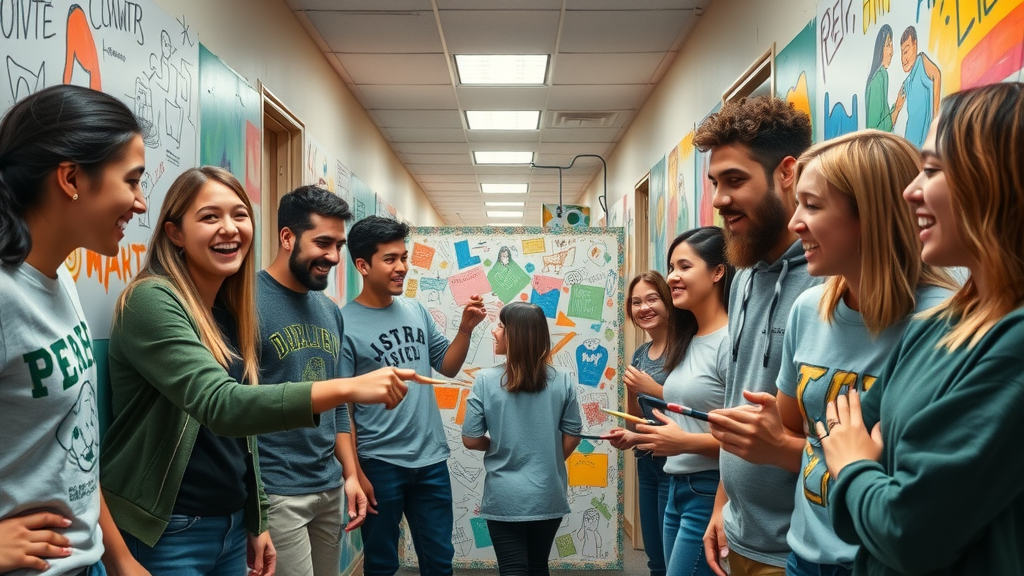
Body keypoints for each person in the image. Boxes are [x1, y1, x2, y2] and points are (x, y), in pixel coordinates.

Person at [100, 167, 422, 576]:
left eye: (239, 214)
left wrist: (255, 517)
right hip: (172, 526)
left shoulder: (231, 305)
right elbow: (223, 405)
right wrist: (348, 387)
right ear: (175, 232)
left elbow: (241, 439)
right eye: (210, 217)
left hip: (231, 519)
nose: (229, 228)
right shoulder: (152, 300)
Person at [820, 82, 1024, 575]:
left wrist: (853, 468)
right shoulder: (935, 325)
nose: (911, 191)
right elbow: (840, 434)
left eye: (931, 170)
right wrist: (867, 475)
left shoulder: (1013, 343)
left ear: (990, 181)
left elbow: (907, 531)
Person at [776, 130, 955, 576]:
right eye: (797, 204)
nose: (795, 223)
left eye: (812, 206)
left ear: (871, 216)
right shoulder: (807, 310)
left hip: (876, 560)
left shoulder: (941, 324)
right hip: (803, 553)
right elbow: (798, 433)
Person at [0, 85, 149, 576]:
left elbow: (70, 458)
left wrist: (120, 557)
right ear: (71, 178)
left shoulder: (58, 276)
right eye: (131, 181)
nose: (141, 203)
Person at [691, 96, 819, 576]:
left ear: (787, 172)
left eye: (735, 180)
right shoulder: (744, 271)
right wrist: (723, 501)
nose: (720, 199)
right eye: (715, 183)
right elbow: (735, 402)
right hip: (738, 531)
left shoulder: (832, 278)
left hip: (797, 548)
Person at [340, 215, 487, 576]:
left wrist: (465, 330)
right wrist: (356, 473)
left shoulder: (416, 310)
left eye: (404, 258)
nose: (402, 267)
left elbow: (447, 367)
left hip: (431, 459)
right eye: (390, 259)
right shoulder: (343, 324)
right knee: (382, 563)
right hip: (379, 462)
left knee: (439, 561)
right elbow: (342, 408)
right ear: (363, 265)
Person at [254, 185, 366, 576]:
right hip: (279, 490)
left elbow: (336, 407)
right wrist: (256, 504)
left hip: (329, 485)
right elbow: (235, 406)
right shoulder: (246, 301)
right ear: (287, 237)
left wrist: (349, 474)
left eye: (339, 245)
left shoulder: (329, 310)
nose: (334, 257)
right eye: (323, 243)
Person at [629, 226, 733, 576]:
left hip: (708, 487)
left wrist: (684, 442)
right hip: (677, 485)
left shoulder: (730, 341)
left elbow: (751, 439)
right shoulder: (688, 339)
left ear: (718, 272)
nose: (673, 276)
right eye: (671, 267)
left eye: (684, 267)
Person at [461, 302, 583, 576]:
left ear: (516, 334)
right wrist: (545, 457)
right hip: (547, 492)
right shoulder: (563, 379)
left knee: (512, 569)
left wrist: (498, 446)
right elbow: (573, 436)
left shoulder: (484, 380)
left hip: (505, 495)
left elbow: (470, 438)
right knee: (538, 566)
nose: (494, 331)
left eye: (501, 326)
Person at [603, 271, 687, 576]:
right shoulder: (639, 355)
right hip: (647, 465)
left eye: (652, 299)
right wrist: (629, 434)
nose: (644, 308)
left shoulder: (686, 348)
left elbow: (696, 409)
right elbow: (637, 419)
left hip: (678, 465)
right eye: (636, 302)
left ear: (668, 300)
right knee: (655, 559)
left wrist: (654, 389)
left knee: (673, 557)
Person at [898, 26, 941, 148]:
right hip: (911, 144)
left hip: (923, 144)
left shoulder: (921, 62)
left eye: (906, 51)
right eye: (901, 53)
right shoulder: (907, 81)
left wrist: (936, 121)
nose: (903, 58)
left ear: (915, 45)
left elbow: (936, 75)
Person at [864, 25, 904, 132]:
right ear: (880, 49)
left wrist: (896, 105)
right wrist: (896, 109)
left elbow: (883, 118)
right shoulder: (877, 80)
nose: (892, 51)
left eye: (891, 44)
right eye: (887, 45)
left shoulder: (883, 75)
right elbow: (874, 130)